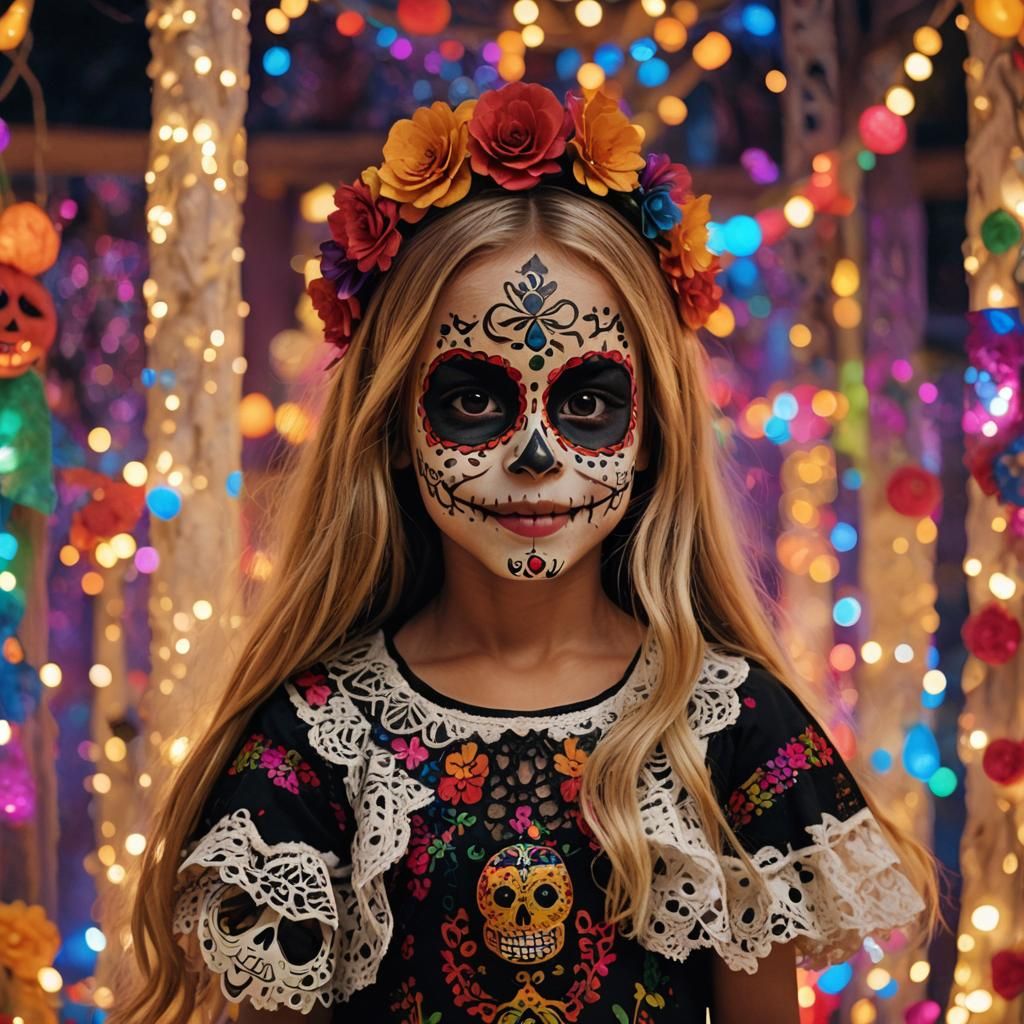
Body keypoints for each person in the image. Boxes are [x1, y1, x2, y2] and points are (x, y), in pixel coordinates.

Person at [112, 82, 939, 1023]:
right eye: (475, 399)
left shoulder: (733, 731)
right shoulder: (314, 742)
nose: (538, 455)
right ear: (394, 422)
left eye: (587, 402)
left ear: (655, 426)